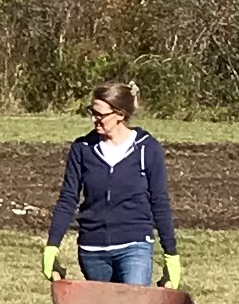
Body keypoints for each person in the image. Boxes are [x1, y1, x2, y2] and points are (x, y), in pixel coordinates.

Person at [42, 76, 183, 291]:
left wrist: (170, 254)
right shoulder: (82, 149)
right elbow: (68, 199)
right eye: (92, 112)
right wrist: (52, 246)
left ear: (120, 114)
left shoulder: (147, 148)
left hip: (134, 245)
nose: (94, 119)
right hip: (92, 250)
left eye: (100, 115)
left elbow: (159, 202)